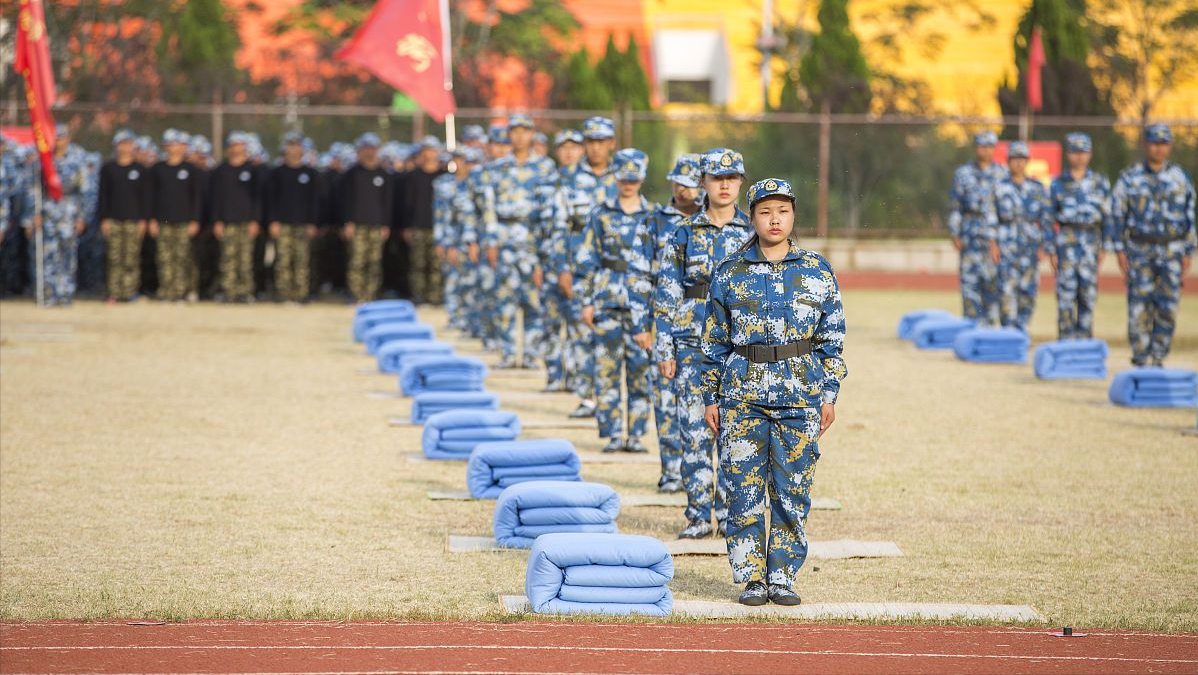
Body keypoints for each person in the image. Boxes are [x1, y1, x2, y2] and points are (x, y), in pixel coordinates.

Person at [701, 177, 846, 606]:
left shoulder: (817, 271)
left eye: (782, 211)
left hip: (800, 395)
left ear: (793, 215)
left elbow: (832, 339)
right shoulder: (728, 272)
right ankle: (752, 578)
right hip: (742, 395)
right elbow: (713, 342)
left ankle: (782, 575)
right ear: (752, 218)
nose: (774, 219)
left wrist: (829, 393)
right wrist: (710, 395)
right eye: (765, 212)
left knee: (792, 488)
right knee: (743, 488)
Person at [653, 147, 754, 540]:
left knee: (733, 432)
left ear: (741, 182)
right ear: (704, 183)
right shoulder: (683, 233)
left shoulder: (751, 234)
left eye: (732, 177)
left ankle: (730, 515)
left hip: (737, 349)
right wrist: (664, 348)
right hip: (691, 345)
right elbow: (666, 292)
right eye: (717, 177)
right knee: (693, 432)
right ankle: (697, 515)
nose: (725, 184)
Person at [577, 148, 656, 453]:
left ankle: (635, 434)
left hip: (641, 306)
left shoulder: (653, 216)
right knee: (606, 371)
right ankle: (611, 434)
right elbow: (587, 258)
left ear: (642, 178)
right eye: (623, 177)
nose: (628, 183)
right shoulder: (601, 213)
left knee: (639, 372)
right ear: (616, 177)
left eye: (634, 178)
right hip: (607, 300)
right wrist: (586, 301)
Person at [1109, 124, 1196, 367]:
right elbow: (1117, 216)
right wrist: (1119, 249)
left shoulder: (1180, 178)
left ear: (1169, 146)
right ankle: (1139, 356)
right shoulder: (1130, 178)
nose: (1158, 148)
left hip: (1172, 250)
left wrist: (1189, 250)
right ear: (1146, 144)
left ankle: (1159, 356)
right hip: (1140, 250)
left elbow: (1190, 216)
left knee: (1168, 306)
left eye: (1163, 143)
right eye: (1154, 143)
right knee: (1139, 304)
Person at [477, 113, 555, 368]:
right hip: (505, 239)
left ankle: (532, 354)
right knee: (505, 299)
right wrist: (490, 242)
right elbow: (488, 207)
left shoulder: (545, 167)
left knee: (534, 300)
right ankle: (509, 353)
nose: (520, 136)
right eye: (515, 131)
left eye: (525, 131)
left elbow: (551, 210)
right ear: (509, 135)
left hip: (533, 241)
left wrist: (547, 248)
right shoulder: (497, 168)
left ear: (532, 134)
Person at [553, 116, 619, 416]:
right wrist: (562, 268)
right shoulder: (567, 179)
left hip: (615, 266)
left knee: (614, 332)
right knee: (582, 330)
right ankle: (587, 396)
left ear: (611, 144)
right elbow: (558, 227)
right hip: (580, 265)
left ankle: (611, 396)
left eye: (601, 142)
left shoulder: (623, 177)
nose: (595, 148)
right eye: (590, 142)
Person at [649, 153, 702, 492]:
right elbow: (642, 274)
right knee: (666, 398)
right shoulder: (656, 221)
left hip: (706, 326)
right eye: (678, 181)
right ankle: (671, 470)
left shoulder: (719, 224)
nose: (683, 189)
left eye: (690, 183)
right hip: (668, 317)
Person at [1048, 132, 1110, 340]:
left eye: (1083, 152)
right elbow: (1049, 220)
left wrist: (1104, 247)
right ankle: (1065, 342)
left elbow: (1108, 218)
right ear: (1068, 154)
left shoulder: (1100, 182)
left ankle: (1084, 342)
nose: (1079, 156)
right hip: (1066, 241)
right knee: (1065, 296)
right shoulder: (1058, 183)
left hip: (1090, 241)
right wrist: (1051, 250)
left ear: (1090, 154)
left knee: (1087, 296)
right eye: (1075, 152)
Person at [540, 129, 586, 392]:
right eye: (564, 147)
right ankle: (555, 374)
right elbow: (539, 227)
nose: (569, 152)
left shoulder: (589, 184)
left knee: (580, 325)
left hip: (579, 264)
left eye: (574, 147)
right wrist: (538, 263)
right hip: (550, 262)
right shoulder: (547, 183)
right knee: (552, 323)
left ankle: (578, 378)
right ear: (556, 152)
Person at [948, 131, 1006, 326]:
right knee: (970, 285)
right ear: (976, 148)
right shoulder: (963, 173)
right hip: (970, 236)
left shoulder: (1002, 174)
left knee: (993, 284)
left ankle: (989, 329)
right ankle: (970, 328)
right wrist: (955, 233)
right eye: (982, 146)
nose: (986, 151)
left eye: (990, 147)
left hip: (994, 239)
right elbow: (956, 205)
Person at [993, 141, 1050, 331]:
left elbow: (1046, 219)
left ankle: (1022, 329)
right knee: (1005, 291)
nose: (1018, 163)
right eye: (1014, 159)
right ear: (1008, 161)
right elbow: (992, 218)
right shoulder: (999, 188)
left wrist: (1044, 246)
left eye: (1022, 159)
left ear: (1027, 162)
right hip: (1006, 247)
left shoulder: (1037, 188)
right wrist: (992, 243)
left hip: (1030, 248)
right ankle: (1007, 332)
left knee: (1028, 292)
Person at [147, 129, 203, 302]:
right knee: (164, 258)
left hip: (184, 221)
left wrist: (195, 219)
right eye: (171, 144)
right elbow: (151, 196)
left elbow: (196, 197)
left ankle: (182, 292)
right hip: (163, 221)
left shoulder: (191, 170)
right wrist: (152, 219)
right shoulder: (157, 169)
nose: (174, 147)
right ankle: (166, 291)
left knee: (182, 257)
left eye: (178, 144)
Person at [266, 131, 321, 303]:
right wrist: (273, 221)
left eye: (297, 146)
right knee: (283, 259)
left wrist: (313, 222)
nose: (294, 149)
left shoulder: (310, 174)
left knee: (301, 259)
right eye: (290, 145)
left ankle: (300, 294)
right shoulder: (276, 173)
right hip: (282, 224)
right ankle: (284, 294)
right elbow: (271, 199)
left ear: (302, 149)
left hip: (303, 224)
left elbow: (315, 200)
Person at [339, 133, 394, 302]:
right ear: (359, 151)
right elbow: (344, 200)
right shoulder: (351, 174)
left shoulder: (384, 174)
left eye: (373, 149)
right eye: (366, 149)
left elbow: (387, 202)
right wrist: (347, 222)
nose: (370, 152)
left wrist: (386, 224)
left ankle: (371, 295)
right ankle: (356, 294)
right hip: (357, 225)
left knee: (374, 262)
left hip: (377, 225)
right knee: (357, 261)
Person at [209, 132, 262, 303]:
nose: (237, 148)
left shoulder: (252, 171)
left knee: (245, 259)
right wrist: (217, 220)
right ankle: (229, 292)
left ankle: (245, 292)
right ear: (229, 148)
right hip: (227, 222)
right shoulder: (221, 171)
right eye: (233, 145)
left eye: (240, 145)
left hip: (246, 222)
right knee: (228, 259)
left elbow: (257, 198)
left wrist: (255, 220)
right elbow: (216, 197)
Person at [434, 145, 482, 331]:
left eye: (469, 161)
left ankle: (472, 323)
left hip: (477, 242)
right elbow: (440, 214)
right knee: (453, 280)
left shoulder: (480, 185)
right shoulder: (443, 184)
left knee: (474, 283)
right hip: (452, 240)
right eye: (460, 159)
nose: (463, 164)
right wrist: (441, 241)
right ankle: (455, 318)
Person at [97, 129, 148, 303]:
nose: (126, 147)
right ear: (116, 146)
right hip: (114, 220)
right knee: (114, 257)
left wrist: (143, 220)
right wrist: (104, 219)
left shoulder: (140, 170)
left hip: (134, 221)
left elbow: (145, 197)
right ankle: (113, 292)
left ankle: (130, 291)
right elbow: (103, 196)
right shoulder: (108, 169)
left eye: (129, 143)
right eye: (122, 144)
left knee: (131, 257)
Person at [403, 136, 447, 305]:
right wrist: (407, 226)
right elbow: (407, 203)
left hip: (439, 227)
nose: (429, 154)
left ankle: (435, 296)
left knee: (437, 265)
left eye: (432, 150)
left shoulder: (444, 176)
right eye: (426, 150)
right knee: (418, 264)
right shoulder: (413, 176)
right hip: (418, 226)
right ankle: (418, 296)